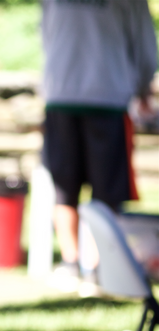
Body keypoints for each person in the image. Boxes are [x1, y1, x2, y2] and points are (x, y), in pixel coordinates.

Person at [41, 0, 158, 286]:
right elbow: (144, 42)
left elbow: (44, 32)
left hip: (73, 93)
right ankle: (86, 265)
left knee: (70, 186)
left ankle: (82, 264)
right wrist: (143, 86)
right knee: (94, 189)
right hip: (103, 93)